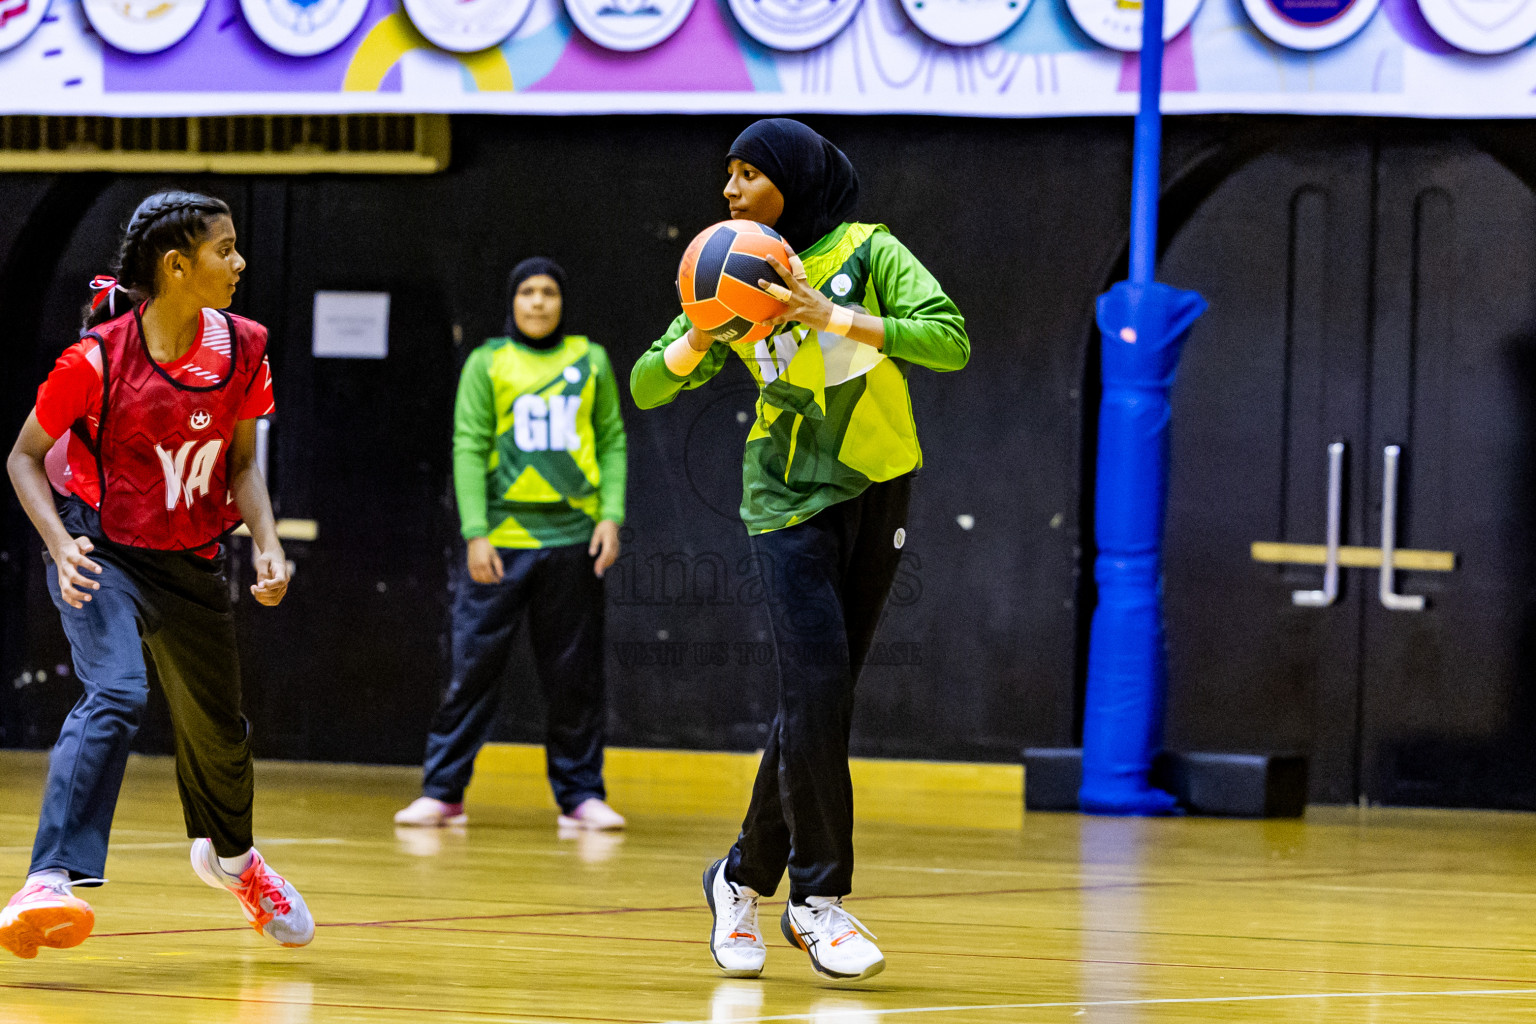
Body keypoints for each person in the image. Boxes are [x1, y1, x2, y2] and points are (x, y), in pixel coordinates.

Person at [629, 119, 969, 982]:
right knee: (816, 688)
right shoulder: (730, 264)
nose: (730, 190)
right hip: (785, 502)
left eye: (749, 174)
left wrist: (836, 315)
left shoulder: (869, 250)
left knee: (822, 697)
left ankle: (739, 877)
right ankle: (818, 901)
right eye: (728, 174)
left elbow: (950, 338)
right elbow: (646, 382)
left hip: (881, 483)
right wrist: (698, 338)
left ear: (795, 180)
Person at [1, 191, 313, 960]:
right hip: (98, 545)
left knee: (218, 731)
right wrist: (57, 543)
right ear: (178, 266)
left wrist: (267, 543)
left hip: (189, 559)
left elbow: (241, 464)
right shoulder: (98, 358)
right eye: (225, 250)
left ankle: (235, 861)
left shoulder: (245, 347)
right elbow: (23, 456)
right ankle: (49, 878)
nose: (240, 263)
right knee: (117, 690)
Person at [395, 257, 629, 833]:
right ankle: (443, 792)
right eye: (528, 291)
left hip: (574, 539)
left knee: (574, 676)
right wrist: (476, 532)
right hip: (500, 541)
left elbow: (613, 443)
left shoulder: (590, 359)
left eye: (549, 291)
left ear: (561, 301)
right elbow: (468, 447)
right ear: (513, 301)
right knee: (471, 669)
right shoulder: (487, 362)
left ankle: (580, 797)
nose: (539, 302)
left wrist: (611, 518)